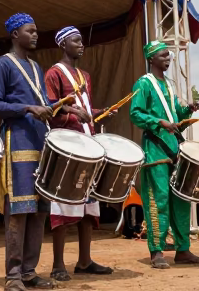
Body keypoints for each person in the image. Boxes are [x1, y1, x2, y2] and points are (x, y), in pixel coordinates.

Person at [0, 13, 55, 291]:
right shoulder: (3, 64)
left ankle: (29, 271)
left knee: (38, 211)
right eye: (30, 30)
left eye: (36, 31)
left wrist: (63, 108)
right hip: (18, 142)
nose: (35, 35)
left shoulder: (36, 67)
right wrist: (26, 108)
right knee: (20, 208)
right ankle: (13, 275)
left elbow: (42, 103)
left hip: (40, 142)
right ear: (15, 34)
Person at [129, 40, 199, 270]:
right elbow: (135, 113)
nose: (168, 58)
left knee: (181, 199)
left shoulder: (170, 85)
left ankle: (183, 249)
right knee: (159, 199)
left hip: (174, 148)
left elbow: (175, 117)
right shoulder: (144, 84)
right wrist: (158, 122)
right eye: (163, 55)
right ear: (151, 58)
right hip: (155, 150)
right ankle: (157, 251)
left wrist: (186, 111)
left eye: (168, 55)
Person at [43, 26, 113, 280]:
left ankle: (84, 261)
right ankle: (57, 265)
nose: (81, 45)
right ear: (63, 45)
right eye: (76, 41)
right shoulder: (53, 73)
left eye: (82, 41)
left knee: (88, 205)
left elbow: (86, 110)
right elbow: (50, 108)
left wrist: (100, 112)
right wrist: (73, 113)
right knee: (63, 205)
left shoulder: (84, 76)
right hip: (67, 148)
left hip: (87, 146)